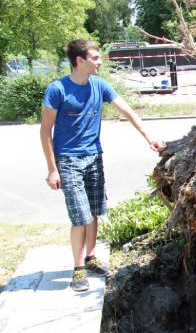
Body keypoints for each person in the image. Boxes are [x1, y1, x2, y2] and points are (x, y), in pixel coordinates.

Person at [40, 39, 167, 292]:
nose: (100, 62)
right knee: (81, 217)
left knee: (95, 211)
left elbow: (128, 112)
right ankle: (78, 269)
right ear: (80, 61)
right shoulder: (57, 90)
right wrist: (52, 169)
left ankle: (91, 257)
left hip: (94, 157)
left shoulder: (100, 85)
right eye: (95, 58)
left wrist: (149, 137)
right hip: (68, 160)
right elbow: (45, 131)